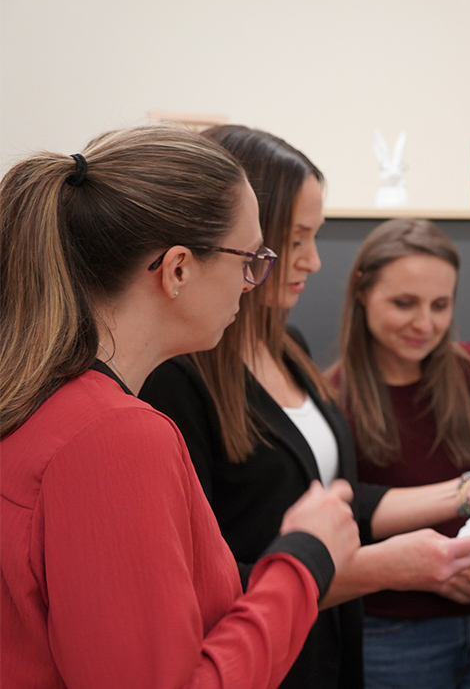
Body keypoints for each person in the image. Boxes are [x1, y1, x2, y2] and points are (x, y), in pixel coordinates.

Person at [140, 125, 470, 689]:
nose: (311, 261)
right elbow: (207, 579)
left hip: (326, 642)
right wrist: (384, 567)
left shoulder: (286, 346)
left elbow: (340, 496)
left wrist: (467, 491)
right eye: (295, 239)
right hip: (263, 654)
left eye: (310, 238)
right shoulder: (176, 377)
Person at [0, 125, 360, 688]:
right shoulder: (113, 438)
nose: (251, 283)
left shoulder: (44, 399)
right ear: (178, 270)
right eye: (249, 259)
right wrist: (305, 559)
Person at [333, 218, 470, 689]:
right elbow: (345, 525)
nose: (425, 324)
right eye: (404, 303)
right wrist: (421, 571)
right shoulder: (332, 401)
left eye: (440, 305)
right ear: (362, 292)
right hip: (394, 633)